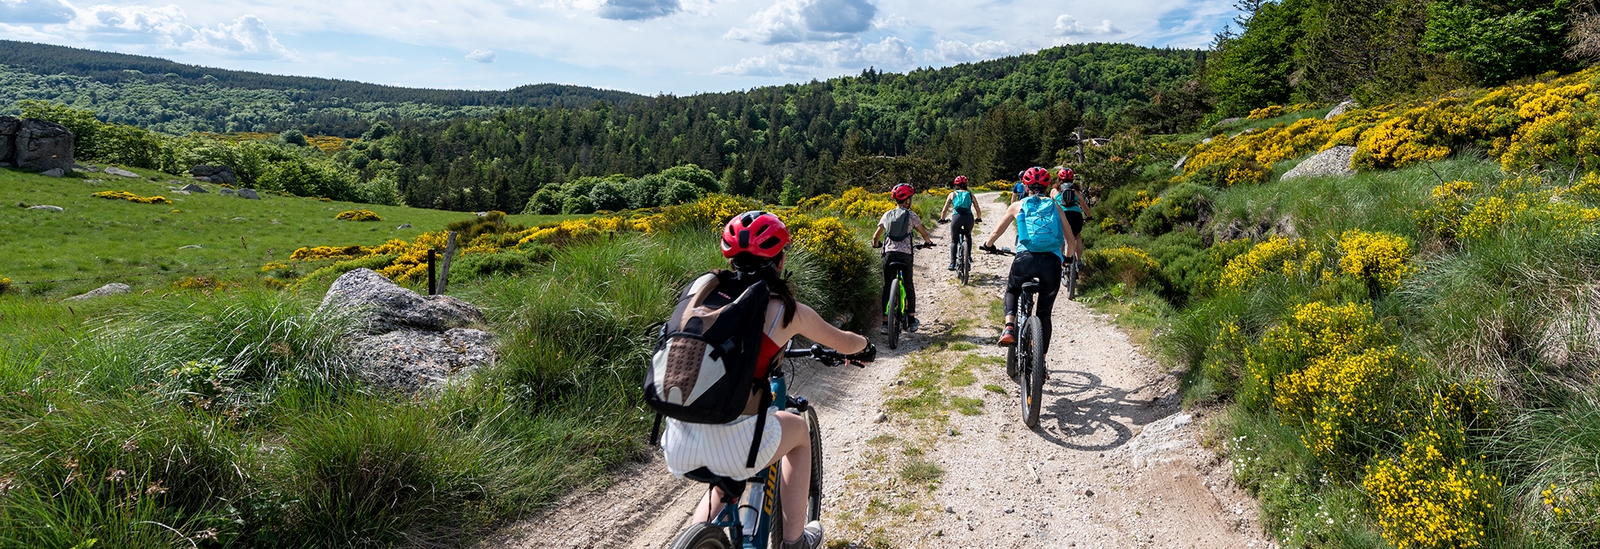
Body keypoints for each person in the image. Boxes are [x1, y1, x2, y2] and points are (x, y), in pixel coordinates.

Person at [662, 211, 876, 549]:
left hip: (677, 442)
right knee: (799, 433)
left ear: (729, 258)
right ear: (780, 260)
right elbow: (844, 341)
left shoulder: (702, 292)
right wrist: (865, 347)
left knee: (724, 483)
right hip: (737, 447)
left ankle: (695, 541)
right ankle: (795, 541)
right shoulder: (786, 310)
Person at [981, 167, 1070, 352]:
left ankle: (1009, 327)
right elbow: (1070, 239)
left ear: (1025, 185)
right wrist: (1067, 259)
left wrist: (988, 245)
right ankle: (1042, 364)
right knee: (1044, 315)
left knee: (1012, 290)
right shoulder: (1056, 206)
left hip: (1025, 260)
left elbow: (997, 231)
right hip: (1052, 263)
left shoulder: (1017, 206)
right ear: (1047, 187)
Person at [871, 183, 936, 334]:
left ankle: (886, 324)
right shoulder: (912, 215)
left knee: (887, 286)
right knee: (908, 284)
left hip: (889, 254)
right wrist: (928, 242)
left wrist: (876, 244)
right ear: (907, 200)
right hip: (905, 255)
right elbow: (924, 233)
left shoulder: (887, 215)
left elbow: (875, 236)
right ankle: (912, 319)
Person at [938, 175, 982, 270]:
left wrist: (942, 219)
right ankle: (969, 257)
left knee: (954, 241)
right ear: (966, 184)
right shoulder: (970, 194)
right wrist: (979, 218)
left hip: (956, 218)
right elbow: (977, 208)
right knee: (968, 236)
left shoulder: (952, 194)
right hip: (968, 218)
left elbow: (944, 209)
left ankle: (952, 263)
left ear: (956, 184)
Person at [1051, 168, 1091, 266]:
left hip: (1061, 215)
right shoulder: (1076, 191)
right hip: (1076, 215)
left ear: (1059, 178)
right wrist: (1089, 216)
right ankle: (1078, 261)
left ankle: (1059, 259)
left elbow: (1050, 205)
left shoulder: (1054, 190)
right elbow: (1085, 206)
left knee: (1059, 236)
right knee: (1076, 237)